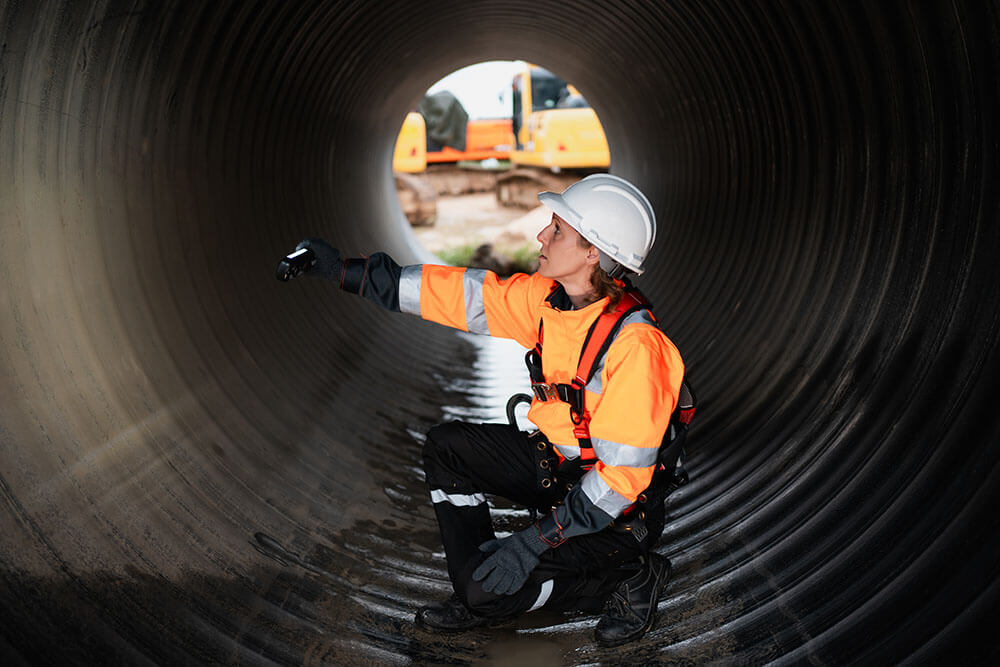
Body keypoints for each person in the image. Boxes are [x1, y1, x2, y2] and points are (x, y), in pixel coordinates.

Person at [282, 174, 688, 647]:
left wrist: (534, 541)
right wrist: (345, 272)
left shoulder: (638, 349)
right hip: (559, 473)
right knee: (447, 448)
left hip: (614, 516)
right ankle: (482, 581)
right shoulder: (547, 301)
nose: (541, 236)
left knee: (487, 596)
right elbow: (460, 295)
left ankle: (628, 578)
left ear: (592, 252)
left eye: (556, 230)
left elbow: (620, 483)